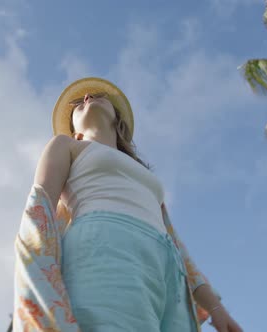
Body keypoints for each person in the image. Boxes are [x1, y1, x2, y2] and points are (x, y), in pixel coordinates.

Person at [13, 77, 243, 332]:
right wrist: (38, 276)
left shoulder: (145, 175)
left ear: (117, 119)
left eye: (97, 95)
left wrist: (215, 307)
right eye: (79, 102)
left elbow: (177, 243)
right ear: (75, 131)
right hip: (103, 246)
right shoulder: (68, 145)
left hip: (168, 268)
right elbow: (40, 206)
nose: (87, 97)